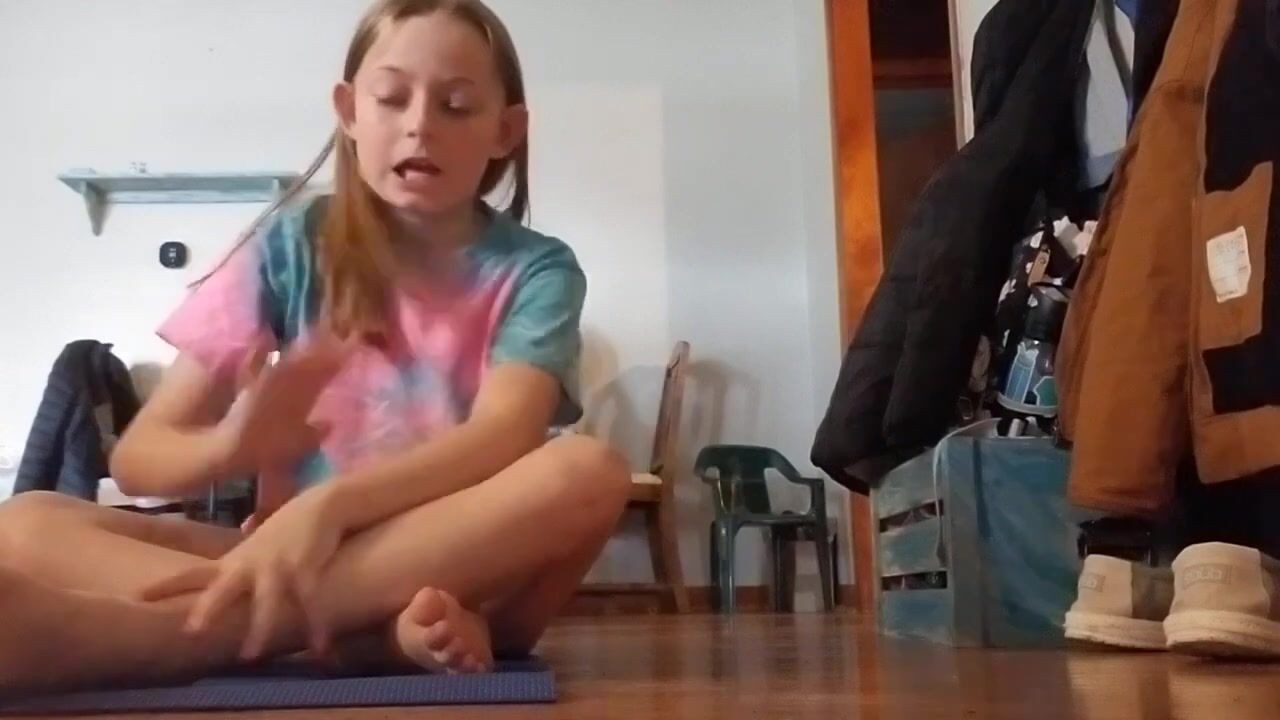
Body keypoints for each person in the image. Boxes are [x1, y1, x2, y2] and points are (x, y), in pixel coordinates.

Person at [0, 0, 630, 696]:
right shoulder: (291, 244)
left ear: (505, 131)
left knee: (589, 470)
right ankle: (359, 636)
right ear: (349, 111)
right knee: (24, 523)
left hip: (456, 566)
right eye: (391, 98)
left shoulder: (538, 269)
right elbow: (140, 460)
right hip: (289, 560)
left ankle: (174, 636)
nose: (419, 124)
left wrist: (326, 508)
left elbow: (504, 434)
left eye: (455, 106)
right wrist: (228, 445)